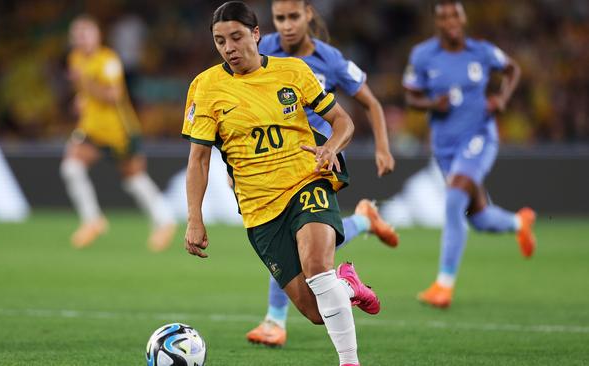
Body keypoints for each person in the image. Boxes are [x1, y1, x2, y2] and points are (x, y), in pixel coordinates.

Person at [184, 2, 378, 365]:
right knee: (318, 311)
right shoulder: (205, 87)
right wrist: (194, 217)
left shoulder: (293, 72)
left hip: (307, 181)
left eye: (237, 37)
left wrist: (330, 148)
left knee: (318, 267)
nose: (229, 48)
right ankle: (348, 284)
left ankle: (350, 362)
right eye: (220, 41)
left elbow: (343, 121)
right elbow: (198, 160)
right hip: (259, 211)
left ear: (256, 35)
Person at [246, 0, 398, 347]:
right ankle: (364, 220)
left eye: (293, 17)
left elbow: (371, 103)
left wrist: (383, 147)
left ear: (308, 15)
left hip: (319, 161)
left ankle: (274, 320)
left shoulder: (330, 59)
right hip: (274, 161)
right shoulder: (263, 50)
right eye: (280, 18)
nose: (286, 25)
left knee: (296, 237)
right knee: (309, 243)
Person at [402, 0, 536, 308]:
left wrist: (502, 97)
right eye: (443, 15)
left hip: (479, 137)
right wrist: (432, 105)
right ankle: (520, 223)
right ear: (437, 22)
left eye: (454, 14)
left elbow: (512, 69)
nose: (449, 20)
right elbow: (411, 95)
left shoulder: (482, 51)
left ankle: (443, 286)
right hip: (445, 146)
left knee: (452, 201)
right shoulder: (423, 55)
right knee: (477, 217)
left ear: (463, 18)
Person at [61, 15, 176, 251]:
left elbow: (113, 95)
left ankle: (164, 221)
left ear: (97, 36)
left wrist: (86, 85)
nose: (81, 39)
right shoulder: (75, 59)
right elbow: (86, 92)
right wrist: (80, 99)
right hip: (92, 129)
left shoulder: (108, 61)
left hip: (119, 130)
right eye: (78, 35)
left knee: (134, 179)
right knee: (71, 168)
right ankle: (93, 221)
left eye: (86, 33)